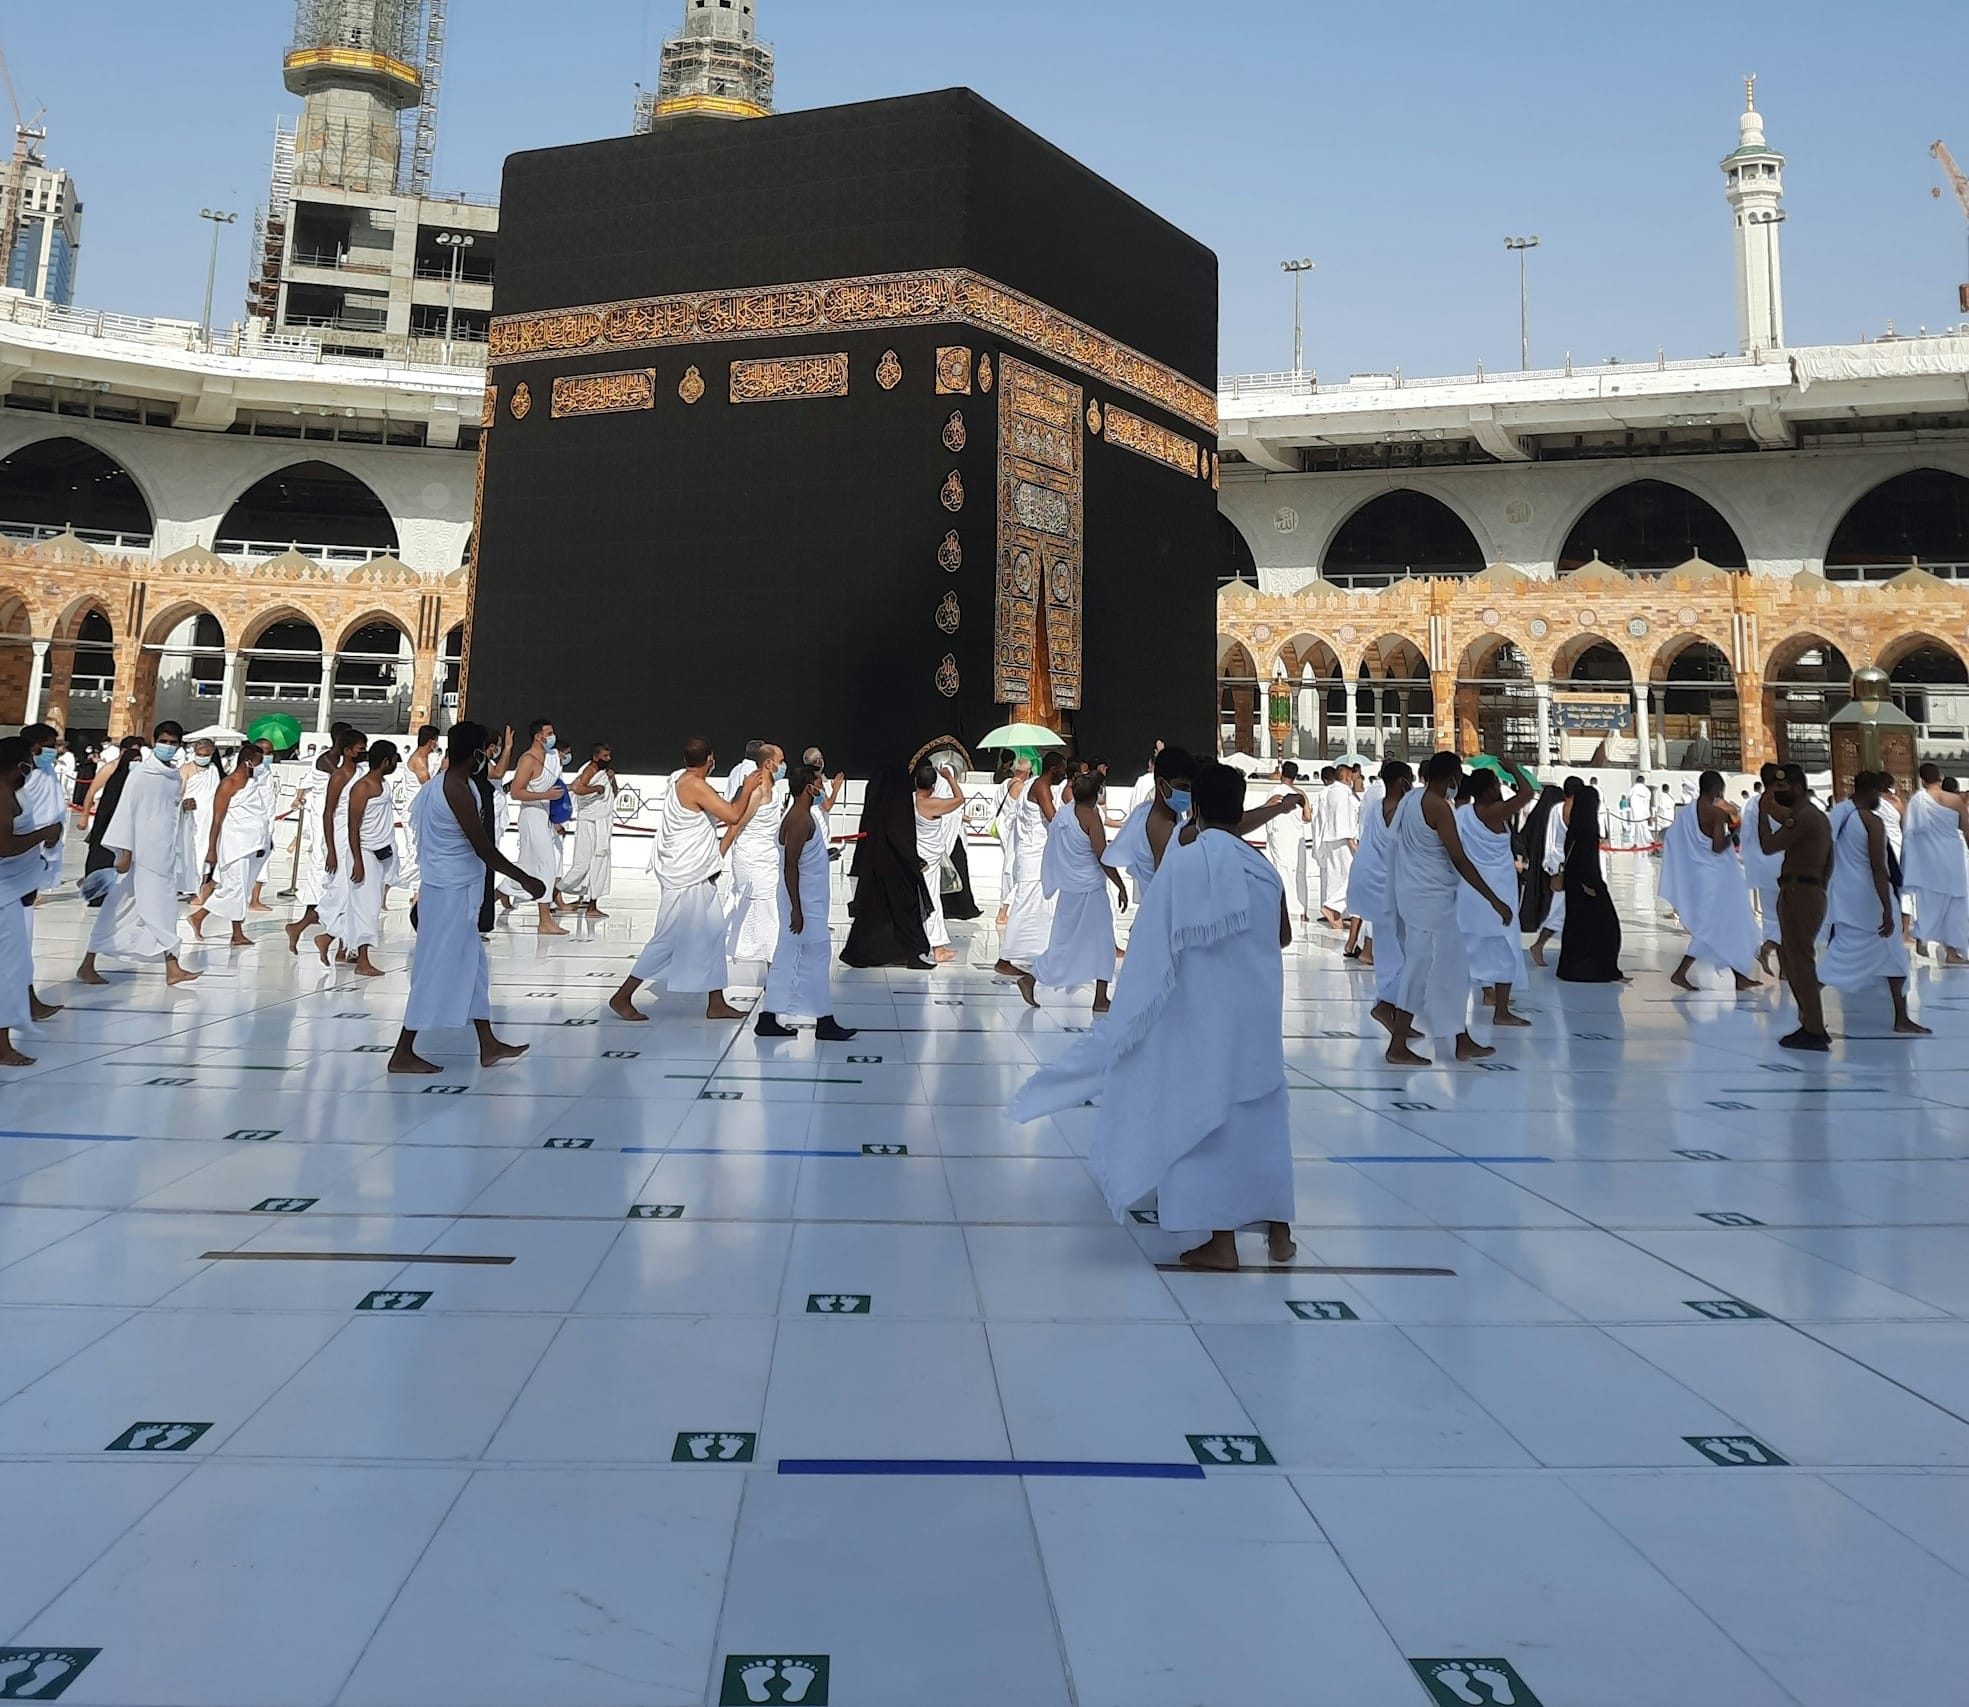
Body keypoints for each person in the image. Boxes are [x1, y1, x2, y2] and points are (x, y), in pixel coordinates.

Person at [1010, 760, 1295, 1271]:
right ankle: (1279, 1232)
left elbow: (1149, 950)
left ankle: (1222, 1242)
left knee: (1207, 1121)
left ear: (1198, 809)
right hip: (1257, 1026)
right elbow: (1282, 938)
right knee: (1262, 1122)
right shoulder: (1263, 870)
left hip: (1203, 1025)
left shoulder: (1184, 867)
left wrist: (1133, 1017)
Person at [389, 723, 542, 1074]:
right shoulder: (455, 789)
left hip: (455, 889)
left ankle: (488, 1044)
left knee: (474, 969)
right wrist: (525, 879)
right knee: (434, 968)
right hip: (448, 893)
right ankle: (402, 1052)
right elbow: (483, 847)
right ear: (475, 754)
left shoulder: (455, 785)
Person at [611, 738, 769, 1021]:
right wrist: (746, 790)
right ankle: (622, 996)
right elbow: (732, 814)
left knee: (713, 935)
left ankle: (716, 1002)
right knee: (666, 940)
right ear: (710, 758)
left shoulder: (678, 778)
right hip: (685, 880)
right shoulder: (695, 785)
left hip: (698, 875)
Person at [1384, 752, 1512, 1065]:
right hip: (1431, 903)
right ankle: (1399, 1044)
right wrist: (1493, 899)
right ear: (1452, 776)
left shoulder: (1412, 799)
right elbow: (1458, 857)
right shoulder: (1438, 806)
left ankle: (1460, 1038)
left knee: (1449, 972)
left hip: (1415, 896)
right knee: (1424, 972)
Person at [78, 721, 199, 986]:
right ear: (155, 742)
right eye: (164, 741)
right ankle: (89, 964)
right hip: (138, 856)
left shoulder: (174, 777)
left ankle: (172, 968)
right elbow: (126, 813)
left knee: (159, 910)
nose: (168, 746)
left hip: (162, 855)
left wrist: (183, 808)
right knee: (127, 909)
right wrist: (125, 851)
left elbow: (165, 812)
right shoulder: (140, 775)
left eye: (173, 742)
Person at [1822, 772, 1929, 1037]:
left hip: (1847, 900)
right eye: (1877, 794)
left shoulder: (1839, 815)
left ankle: (1807, 1012)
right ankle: (1901, 1018)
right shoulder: (1871, 822)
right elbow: (1879, 868)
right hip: (1871, 901)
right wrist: (1887, 908)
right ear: (1869, 791)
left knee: (1862, 957)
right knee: (1894, 958)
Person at [755, 762, 857, 1041]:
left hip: (805, 899)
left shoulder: (804, 816)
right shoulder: (800, 820)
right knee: (817, 955)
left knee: (787, 957)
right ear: (808, 787)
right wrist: (797, 910)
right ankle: (824, 1020)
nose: (823, 787)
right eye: (819, 783)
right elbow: (791, 866)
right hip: (801, 902)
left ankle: (768, 1016)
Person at [1015, 770, 1130, 1014]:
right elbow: (1102, 856)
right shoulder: (1091, 817)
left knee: (1063, 941)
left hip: (1070, 887)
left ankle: (1033, 977)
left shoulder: (1065, 813)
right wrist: (1120, 884)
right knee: (1103, 940)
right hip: (1090, 889)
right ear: (1096, 794)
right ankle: (1100, 997)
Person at [1660, 770, 1762, 992]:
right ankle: (1681, 972)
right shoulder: (1716, 813)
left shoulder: (1687, 812)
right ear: (1717, 790)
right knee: (1711, 928)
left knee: (1722, 924)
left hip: (1699, 875)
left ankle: (1738, 975)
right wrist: (1733, 836)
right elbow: (1717, 846)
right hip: (1716, 878)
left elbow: (1674, 839)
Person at [1757, 764, 1834, 1051]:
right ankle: (1809, 1021)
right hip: (1799, 889)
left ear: (1798, 788)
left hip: (1802, 891)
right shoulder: (1806, 815)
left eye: (1782, 789)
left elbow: (1768, 845)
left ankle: (1814, 1028)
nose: (1777, 796)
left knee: (1800, 961)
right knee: (1791, 959)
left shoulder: (1806, 817)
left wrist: (1763, 813)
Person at [1456, 762, 1537, 1026]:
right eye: (1494, 784)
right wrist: (1514, 770)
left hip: (1470, 889)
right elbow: (1527, 793)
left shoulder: (1462, 812)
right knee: (1505, 946)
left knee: (1474, 944)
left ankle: (1485, 993)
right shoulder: (1493, 812)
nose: (1497, 788)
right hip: (1497, 890)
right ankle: (1501, 1010)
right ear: (1486, 790)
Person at [0, 738, 61, 1065]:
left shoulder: (13, 791)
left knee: (14, 965)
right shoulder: (1, 794)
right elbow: (4, 846)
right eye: (27, 761)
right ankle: (2, 1044)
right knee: (6, 969)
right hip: (3, 893)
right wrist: (44, 834)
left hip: (14, 889)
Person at [841, 761, 935, 970]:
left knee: (876, 910)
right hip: (896, 865)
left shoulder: (878, 799)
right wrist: (912, 860)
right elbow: (898, 833)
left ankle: (860, 952)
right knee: (905, 909)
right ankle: (912, 953)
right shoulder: (898, 800)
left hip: (876, 861)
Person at [286, 726, 364, 954]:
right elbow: (339, 791)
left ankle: (342, 945)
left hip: (347, 827)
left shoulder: (348, 766)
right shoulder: (331, 762)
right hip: (329, 827)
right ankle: (315, 927)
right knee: (331, 880)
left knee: (347, 888)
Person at [1353, 761, 1414, 1039]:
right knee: (1413, 954)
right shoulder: (1404, 810)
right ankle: (1387, 1005)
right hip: (1389, 889)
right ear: (1402, 781)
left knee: (1392, 952)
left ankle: (1393, 1012)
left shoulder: (1376, 807)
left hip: (1375, 885)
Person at [14, 724, 67, 1020]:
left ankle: (26, 998)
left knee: (23, 939)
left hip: (34, 864)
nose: (52, 749)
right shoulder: (18, 778)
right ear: (33, 745)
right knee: (16, 941)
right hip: (18, 862)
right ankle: (24, 1001)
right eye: (48, 744)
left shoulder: (45, 772)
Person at [191, 739, 265, 948]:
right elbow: (217, 818)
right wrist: (212, 849)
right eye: (259, 762)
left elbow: (257, 815)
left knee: (239, 890)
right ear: (249, 763)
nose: (262, 767)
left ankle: (201, 918)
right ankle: (234, 931)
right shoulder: (229, 784)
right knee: (234, 889)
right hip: (234, 845)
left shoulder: (252, 784)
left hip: (251, 844)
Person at [338, 740, 400, 977]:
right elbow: (353, 826)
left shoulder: (383, 784)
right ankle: (363, 960)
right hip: (363, 853)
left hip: (381, 851)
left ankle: (345, 949)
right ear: (385, 761)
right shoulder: (363, 787)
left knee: (364, 906)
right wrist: (358, 860)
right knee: (367, 907)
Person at [723, 742, 787, 969]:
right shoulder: (757, 790)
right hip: (751, 858)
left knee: (769, 905)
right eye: (780, 761)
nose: (783, 766)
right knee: (763, 904)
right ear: (769, 764)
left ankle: (767, 954)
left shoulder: (774, 788)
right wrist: (718, 856)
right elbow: (736, 824)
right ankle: (762, 955)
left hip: (768, 857)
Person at [994, 754, 1057, 977]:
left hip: (1032, 853)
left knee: (1041, 906)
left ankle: (1039, 954)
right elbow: (1054, 820)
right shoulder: (1039, 787)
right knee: (1023, 906)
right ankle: (1005, 959)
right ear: (1054, 768)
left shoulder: (1030, 784)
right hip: (1033, 856)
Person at [1556, 784, 1625, 984]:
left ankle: (1580, 967)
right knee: (1605, 927)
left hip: (1577, 883)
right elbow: (1584, 858)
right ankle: (1594, 969)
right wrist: (1590, 885)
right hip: (1587, 884)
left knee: (1580, 927)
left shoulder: (1577, 825)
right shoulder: (1587, 827)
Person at [1901, 764, 1969, 966]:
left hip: (1928, 860)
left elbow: (1909, 832)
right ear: (1939, 777)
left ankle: (1922, 935)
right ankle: (1952, 952)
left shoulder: (1917, 802)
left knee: (1929, 900)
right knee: (1956, 904)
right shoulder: (1954, 799)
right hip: (1952, 857)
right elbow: (1966, 827)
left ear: (1922, 779)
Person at [506, 719, 567, 936]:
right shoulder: (527, 760)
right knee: (546, 864)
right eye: (549, 733)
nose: (552, 736)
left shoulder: (551, 757)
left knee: (529, 866)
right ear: (538, 736)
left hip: (545, 813)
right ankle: (544, 920)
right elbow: (516, 792)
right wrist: (545, 795)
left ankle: (501, 892)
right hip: (531, 814)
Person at [912, 759, 967, 963]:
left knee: (916, 900)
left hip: (914, 856)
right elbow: (959, 799)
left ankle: (924, 942)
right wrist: (950, 778)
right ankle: (937, 947)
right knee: (932, 900)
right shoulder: (932, 804)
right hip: (929, 860)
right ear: (933, 785)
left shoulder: (909, 801)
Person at [82, 736, 145, 901]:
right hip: (105, 819)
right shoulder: (109, 769)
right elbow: (91, 793)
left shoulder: (140, 774)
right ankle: (95, 891)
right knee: (99, 855)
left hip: (127, 822)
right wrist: (84, 818)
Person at [560, 741, 617, 916]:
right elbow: (578, 789)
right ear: (595, 756)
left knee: (599, 862)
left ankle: (592, 903)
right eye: (604, 756)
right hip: (589, 821)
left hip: (602, 820)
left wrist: (611, 780)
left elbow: (614, 792)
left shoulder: (605, 773)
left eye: (609, 755)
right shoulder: (590, 770)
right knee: (583, 863)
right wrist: (596, 788)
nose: (608, 759)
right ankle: (554, 894)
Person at [1739, 764, 1786, 974]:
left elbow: (1746, 836)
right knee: (1787, 916)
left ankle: (1782, 967)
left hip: (1761, 865)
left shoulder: (1751, 803)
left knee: (1772, 916)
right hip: (1780, 864)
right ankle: (1768, 949)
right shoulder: (1778, 803)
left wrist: (1749, 861)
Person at [1529, 779, 1578, 967]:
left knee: (1564, 909)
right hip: (1567, 863)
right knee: (1561, 910)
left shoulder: (1556, 808)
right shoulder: (1571, 809)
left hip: (1557, 861)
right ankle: (1539, 944)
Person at [1264, 762, 1312, 925]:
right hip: (1296, 836)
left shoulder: (1275, 792)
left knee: (1283, 869)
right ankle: (1300, 909)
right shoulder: (1300, 794)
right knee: (1298, 871)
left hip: (1280, 835)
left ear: (1282, 773)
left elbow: (1266, 809)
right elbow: (1307, 817)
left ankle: (1285, 908)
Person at [175, 738, 223, 899]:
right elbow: (178, 794)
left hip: (209, 819)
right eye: (199, 754)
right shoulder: (186, 769)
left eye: (206, 754)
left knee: (206, 851)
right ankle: (187, 885)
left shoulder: (214, 769)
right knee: (190, 850)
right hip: (191, 819)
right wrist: (182, 804)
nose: (202, 757)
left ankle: (201, 887)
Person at [1316, 763, 1360, 929]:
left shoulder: (1330, 793)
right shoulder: (1342, 794)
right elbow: (1344, 818)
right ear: (1347, 777)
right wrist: (1351, 841)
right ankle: (1332, 906)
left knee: (1336, 876)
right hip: (1343, 839)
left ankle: (1335, 914)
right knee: (1353, 876)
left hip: (1331, 838)